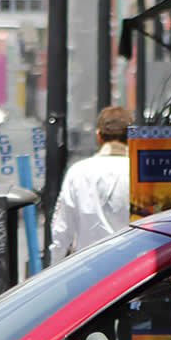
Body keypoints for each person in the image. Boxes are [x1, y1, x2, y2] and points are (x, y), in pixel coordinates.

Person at [48, 106, 134, 264]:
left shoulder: (78, 172)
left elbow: (61, 230)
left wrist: (54, 269)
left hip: (90, 272)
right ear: (130, 137)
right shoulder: (139, 171)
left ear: (99, 136)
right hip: (134, 272)